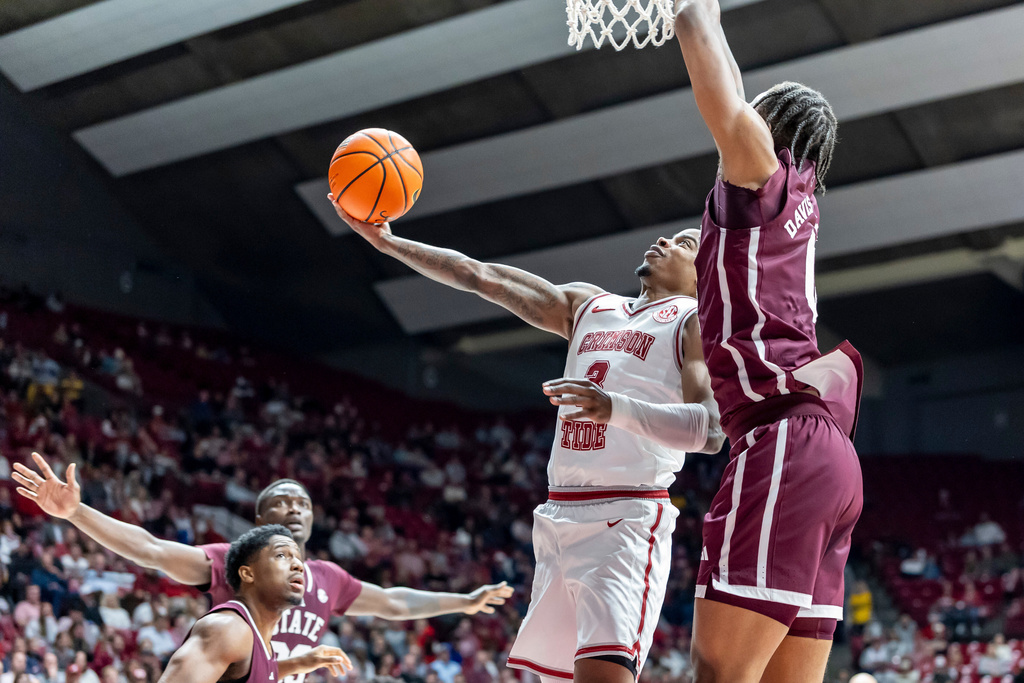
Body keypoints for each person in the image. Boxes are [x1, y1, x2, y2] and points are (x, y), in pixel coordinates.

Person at [328, 172, 724, 683]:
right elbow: (480, 276)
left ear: (707, 273)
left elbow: (710, 432)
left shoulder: (694, 322)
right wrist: (388, 242)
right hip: (559, 514)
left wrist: (613, 409)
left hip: (625, 517)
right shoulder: (589, 306)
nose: (665, 240)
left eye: (686, 243)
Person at [673, 1, 864, 681]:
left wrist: (693, 11)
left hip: (785, 440)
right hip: (827, 454)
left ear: (771, 124)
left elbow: (712, 71)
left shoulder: (762, 174)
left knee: (719, 671)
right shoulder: (801, 197)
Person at [13, 456, 513, 683]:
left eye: (304, 503)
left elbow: (396, 601)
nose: (295, 508)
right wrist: (77, 513)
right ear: (257, 527)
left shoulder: (327, 577)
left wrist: (463, 602)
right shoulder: (230, 574)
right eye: (282, 503)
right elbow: (149, 548)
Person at [157, 524, 348, 683]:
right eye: (282, 555)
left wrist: (300, 663)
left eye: (298, 558)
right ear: (248, 574)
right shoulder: (228, 629)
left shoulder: (257, 642)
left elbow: (256, 674)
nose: (298, 565)